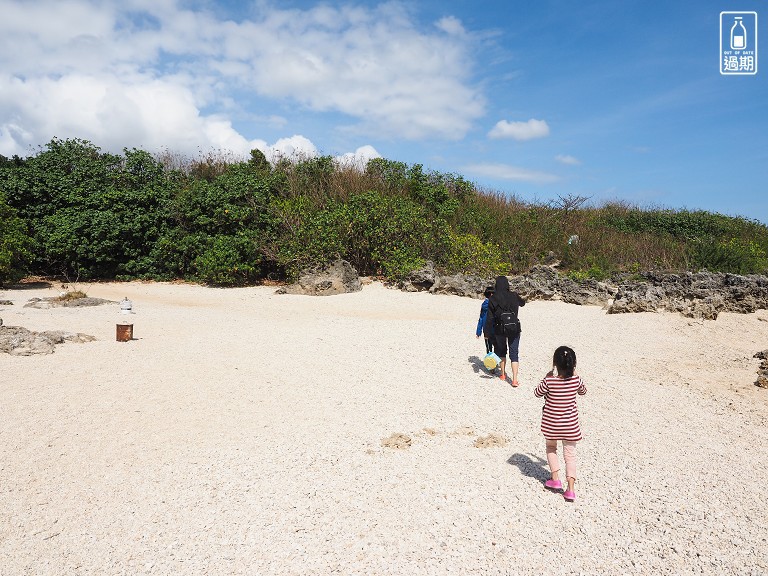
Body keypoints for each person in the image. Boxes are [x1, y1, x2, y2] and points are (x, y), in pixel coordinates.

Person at [533, 346, 587, 502]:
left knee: (551, 448)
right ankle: (570, 490)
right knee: (570, 456)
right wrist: (575, 374)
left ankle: (555, 479)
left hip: (551, 425)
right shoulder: (576, 380)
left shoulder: (550, 381)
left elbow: (537, 393)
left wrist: (546, 377)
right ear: (573, 364)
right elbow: (583, 391)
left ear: (555, 364)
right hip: (570, 426)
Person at [487, 276, 525, 386]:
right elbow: (523, 303)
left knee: (502, 350)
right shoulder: (514, 295)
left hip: (500, 328)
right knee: (514, 353)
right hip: (514, 327)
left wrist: (487, 332)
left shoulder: (493, 298)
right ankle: (514, 379)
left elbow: (489, 318)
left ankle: (503, 375)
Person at [475, 285, 495, 355]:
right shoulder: (495, 304)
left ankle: (490, 363)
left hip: (486, 328)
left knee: (488, 347)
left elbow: (481, 318)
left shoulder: (484, 305)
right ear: (492, 294)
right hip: (494, 327)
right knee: (496, 345)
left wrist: (478, 331)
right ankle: (495, 361)